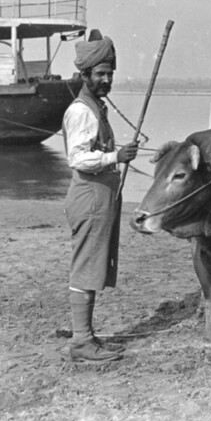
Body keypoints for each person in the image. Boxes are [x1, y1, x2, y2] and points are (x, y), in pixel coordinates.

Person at [62, 30, 138, 364]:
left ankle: (87, 337)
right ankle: (81, 342)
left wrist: (117, 156)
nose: (106, 79)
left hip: (98, 198)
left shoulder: (97, 107)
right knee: (85, 267)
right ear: (85, 75)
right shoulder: (82, 111)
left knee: (93, 268)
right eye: (100, 74)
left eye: (110, 73)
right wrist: (115, 158)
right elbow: (77, 158)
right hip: (89, 198)